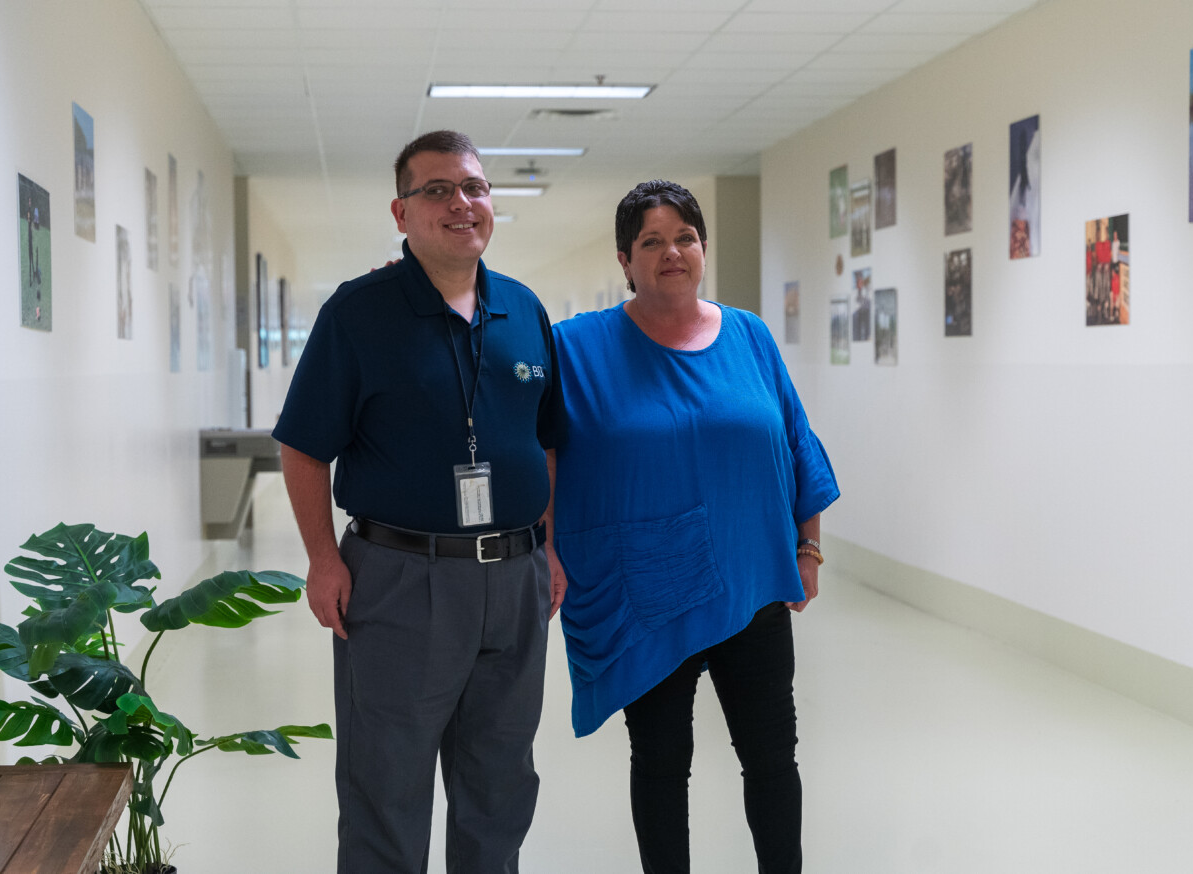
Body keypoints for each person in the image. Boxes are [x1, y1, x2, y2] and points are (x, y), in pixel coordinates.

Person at [272, 129, 564, 874]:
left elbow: (549, 439)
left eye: (474, 187)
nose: (460, 203)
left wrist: (551, 547)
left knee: (501, 783)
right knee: (387, 785)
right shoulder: (358, 313)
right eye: (437, 190)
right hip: (401, 578)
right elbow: (304, 446)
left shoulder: (525, 312)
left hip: (515, 578)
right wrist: (320, 560)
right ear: (401, 214)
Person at [547, 180, 839, 874]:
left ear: (703, 248)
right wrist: (548, 548)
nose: (671, 252)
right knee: (660, 761)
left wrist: (809, 546)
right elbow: (545, 453)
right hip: (649, 586)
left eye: (685, 238)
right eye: (652, 241)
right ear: (625, 259)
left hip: (754, 583)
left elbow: (796, 441)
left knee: (772, 756)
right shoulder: (578, 348)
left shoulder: (749, 335)